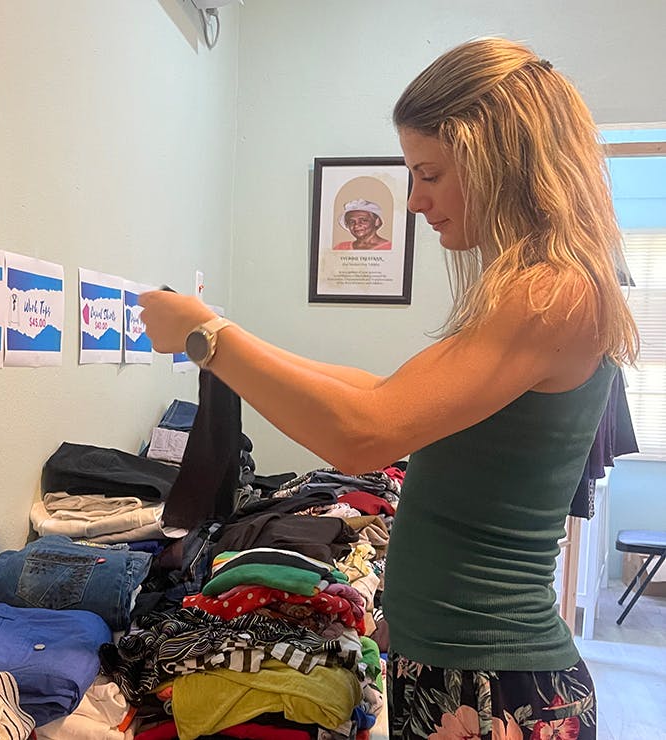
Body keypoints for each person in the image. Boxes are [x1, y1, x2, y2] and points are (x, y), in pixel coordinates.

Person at [139, 37, 637, 739]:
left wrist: (207, 340)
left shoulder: (551, 291)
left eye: (428, 173)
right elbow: (383, 394)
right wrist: (225, 334)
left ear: (494, 158)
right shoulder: (540, 288)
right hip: (460, 668)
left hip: (494, 682)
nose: (413, 201)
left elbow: (363, 430)